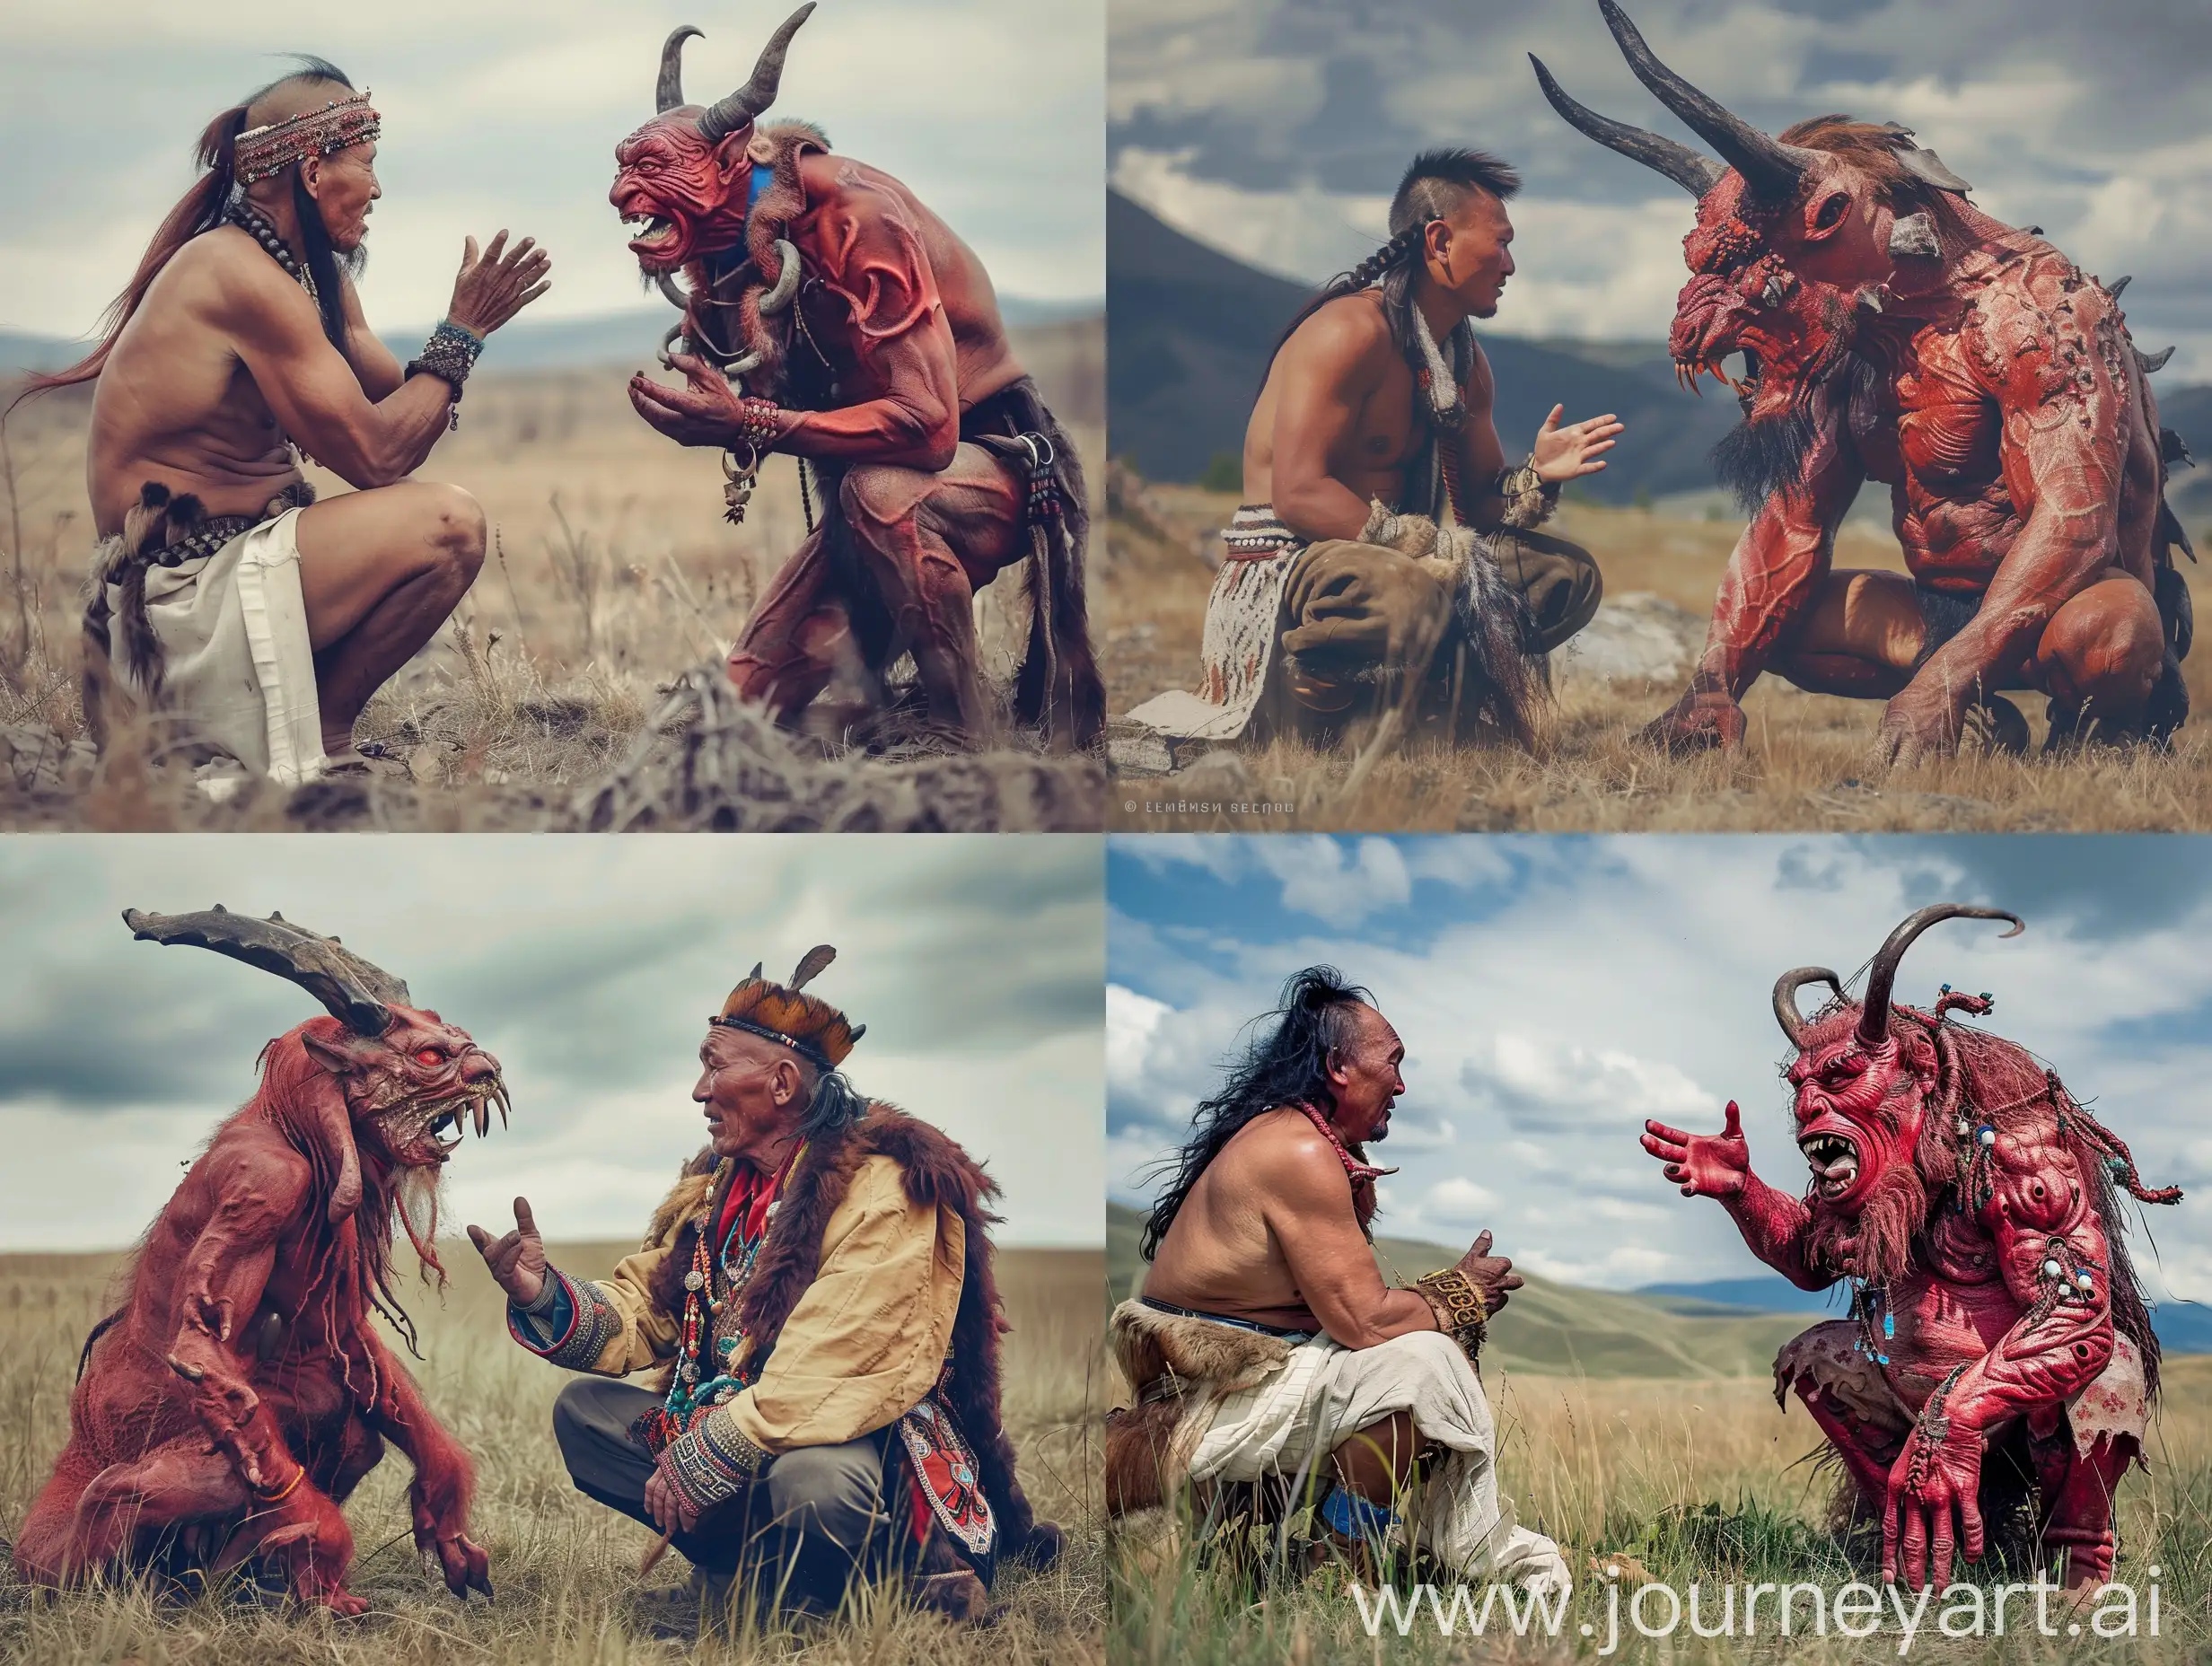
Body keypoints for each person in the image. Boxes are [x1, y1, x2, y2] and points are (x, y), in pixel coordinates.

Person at [469, 947, 1059, 1621]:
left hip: (860, 1445)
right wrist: (541, 1294)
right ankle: (754, 1578)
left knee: (813, 1480)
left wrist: (713, 1448)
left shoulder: (887, 1184)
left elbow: (839, 1360)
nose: (697, 1091)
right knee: (585, 1413)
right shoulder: (715, 1189)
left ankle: (881, 1590)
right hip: (738, 1430)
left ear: (781, 1084)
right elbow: (651, 1311)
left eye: (714, 1066)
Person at [13, 59, 551, 784]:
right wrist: (461, 334)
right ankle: (319, 740)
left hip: (233, 577)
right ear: (311, 172)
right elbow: (378, 457)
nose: (378, 187)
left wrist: (456, 343)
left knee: (434, 520)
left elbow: (400, 403)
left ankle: (307, 725)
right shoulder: (235, 275)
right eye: (366, 164)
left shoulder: (308, 274)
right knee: (450, 526)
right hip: (178, 608)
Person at [613, 10, 1102, 749]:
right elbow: (763, 389)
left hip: (979, 468)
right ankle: (865, 706)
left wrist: (751, 426)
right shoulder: (733, 242)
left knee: (879, 492)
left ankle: (959, 733)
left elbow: (930, 428)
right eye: (624, 171)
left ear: (734, 156)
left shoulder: (857, 222)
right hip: (864, 502)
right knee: (733, 713)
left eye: (650, 172)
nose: (622, 194)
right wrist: (724, 399)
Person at [1124, 149, 1620, 753]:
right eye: (1501, 242)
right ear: (1439, 241)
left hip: (1398, 562)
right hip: (1295, 563)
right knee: (1403, 593)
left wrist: (1538, 476)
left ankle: (1429, 693)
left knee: (1566, 576)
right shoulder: (1347, 333)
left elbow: (1484, 513)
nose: (1511, 264)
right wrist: (1425, 549)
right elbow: (1299, 493)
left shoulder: (1464, 362)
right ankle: (1313, 693)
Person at [1105, 966, 1567, 1591]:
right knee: (1419, 1367)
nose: (1402, 1085)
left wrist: (1450, 1294)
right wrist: (1460, 1296)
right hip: (1211, 1395)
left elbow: (1350, 1317)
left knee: (1412, 1358)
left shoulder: (1296, 1138)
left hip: (1244, 1381)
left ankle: (1308, 1547)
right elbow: (1364, 1321)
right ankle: (1341, 1566)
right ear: (1339, 1067)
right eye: (1394, 1063)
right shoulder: (1297, 1150)